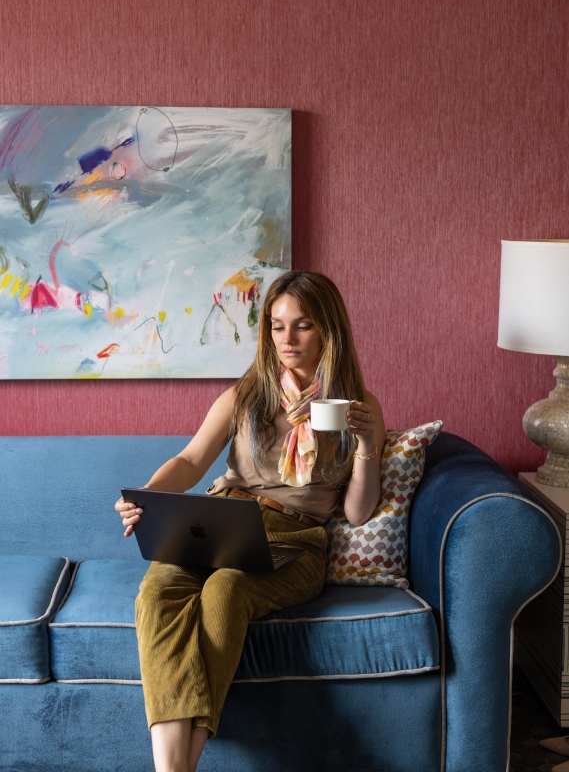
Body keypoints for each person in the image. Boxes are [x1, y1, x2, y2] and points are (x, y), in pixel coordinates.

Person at [115, 270, 385, 772]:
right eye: (277, 326)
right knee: (157, 591)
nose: (287, 339)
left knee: (226, 591)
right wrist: (147, 497)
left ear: (329, 330)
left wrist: (368, 447)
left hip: (296, 539)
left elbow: (356, 512)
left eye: (302, 325)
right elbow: (192, 461)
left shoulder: (358, 407)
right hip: (223, 520)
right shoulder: (246, 395)